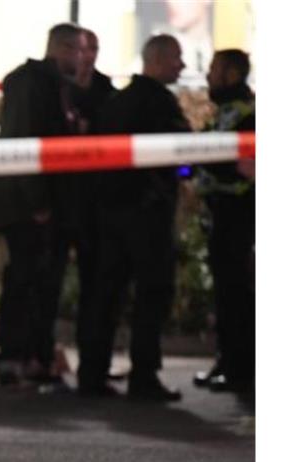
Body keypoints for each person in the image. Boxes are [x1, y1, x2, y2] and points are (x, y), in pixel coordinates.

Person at [76, 34, 191, 401]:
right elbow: (181, 155)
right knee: (152, 294)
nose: (182, 66)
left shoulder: (116, 102)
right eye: (176, 58)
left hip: (110, 215)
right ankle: (144, 376)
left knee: (105, 294)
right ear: (155, 60)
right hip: (148, 215)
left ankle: (92, 375)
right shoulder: (161, 103)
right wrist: (183, 179)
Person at [0, 23, 83, 389]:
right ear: (62, 48)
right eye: (79, 50)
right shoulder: (32, 83)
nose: (83, 58)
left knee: (42, 283)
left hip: (42, 202)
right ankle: (13, 361)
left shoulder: (56, 85)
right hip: (27, 204)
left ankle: (33, 359)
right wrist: (38, 201)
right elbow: (24, 142)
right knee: (25, 281)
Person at [194, 49, 255, 393]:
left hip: (240, 214)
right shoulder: (228, 113)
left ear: (233, 74)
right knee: (227, 294)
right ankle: (228, 361)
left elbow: (231, 163)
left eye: (215, 70)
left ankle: (238, 368)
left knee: (236, 295)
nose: (208, 77)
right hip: (223, 212)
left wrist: (204, 156)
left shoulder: (248, 115)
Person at [68, 29, 117, 382]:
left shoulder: (105, 90)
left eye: (93, 49)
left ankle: (93, 367)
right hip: (61, 201)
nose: (88, 55)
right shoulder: (55, 86)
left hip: (97, 204)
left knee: (97, 286)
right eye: (82, 49)